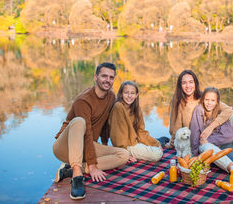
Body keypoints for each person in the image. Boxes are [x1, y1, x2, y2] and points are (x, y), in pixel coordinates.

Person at [52, 62, 129, 200]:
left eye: (111, 77)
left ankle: (70, 170)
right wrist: (92, 166)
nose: (108, 80)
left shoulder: (110, 96)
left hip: (87, 145)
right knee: (79, 122)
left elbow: (105, 123)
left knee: (124, 155)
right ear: (95, 77)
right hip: (65, 146)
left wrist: (105, 144)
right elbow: (87, 132)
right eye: (104, 76)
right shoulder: (83, 100)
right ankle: (76, 175)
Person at [108, 81, 165, 162]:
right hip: (125, 146)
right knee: (157, 154)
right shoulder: (118, 107)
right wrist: (125, 154)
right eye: (126, 92)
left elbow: (141, 131)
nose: (129, 96)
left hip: (134, 142)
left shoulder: (137, 109)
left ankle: (159, 141)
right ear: (121, 94)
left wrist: (156, 144)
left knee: (156, 147)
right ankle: (158, 143)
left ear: (136, 95)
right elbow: (117, 136)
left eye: (132, 93)